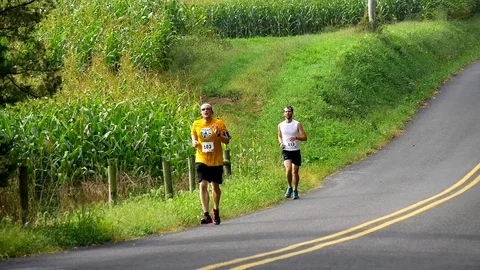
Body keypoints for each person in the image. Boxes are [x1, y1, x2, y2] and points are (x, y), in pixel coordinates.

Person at [191, 103, 230, 225]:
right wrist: (194, 142)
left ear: (212, 111)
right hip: (201, 159)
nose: (206, 111)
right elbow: (193, 136)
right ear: (201, 112)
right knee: (202, 185)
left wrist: (218, 134)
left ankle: (216, 210)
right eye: (203, 109)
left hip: (216, 160)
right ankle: (206, 213)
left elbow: (227, 140)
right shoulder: (196, 124)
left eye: (208, 109)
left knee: (215, 186)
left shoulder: (219, 123)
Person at [278, 105, 307, 199]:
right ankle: (289, 187)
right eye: (286, 111)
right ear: (283, 113)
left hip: (296, 150)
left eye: (289, 111)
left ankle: (295, 190)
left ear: (292, 113)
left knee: (295, 172)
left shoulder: (297, 124)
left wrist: (296, 137)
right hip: (286, 150)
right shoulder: (280, 125)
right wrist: (281, 143)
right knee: (288, 169)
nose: (287, 113)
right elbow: (279, 136)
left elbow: (305, 137)